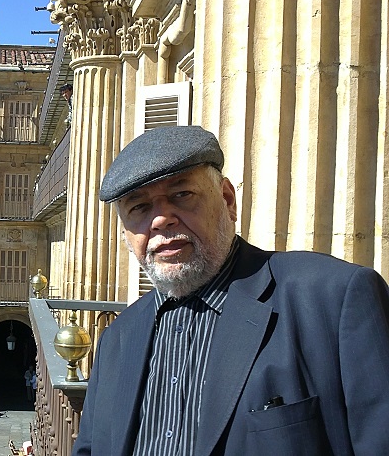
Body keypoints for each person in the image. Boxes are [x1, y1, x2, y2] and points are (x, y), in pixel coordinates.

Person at [72, 126, 389, 455]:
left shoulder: (333, 299)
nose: (161, 219)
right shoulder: (118, 338)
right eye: (139, 207)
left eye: (182, 195)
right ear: (126, 231)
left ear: (227, 200)